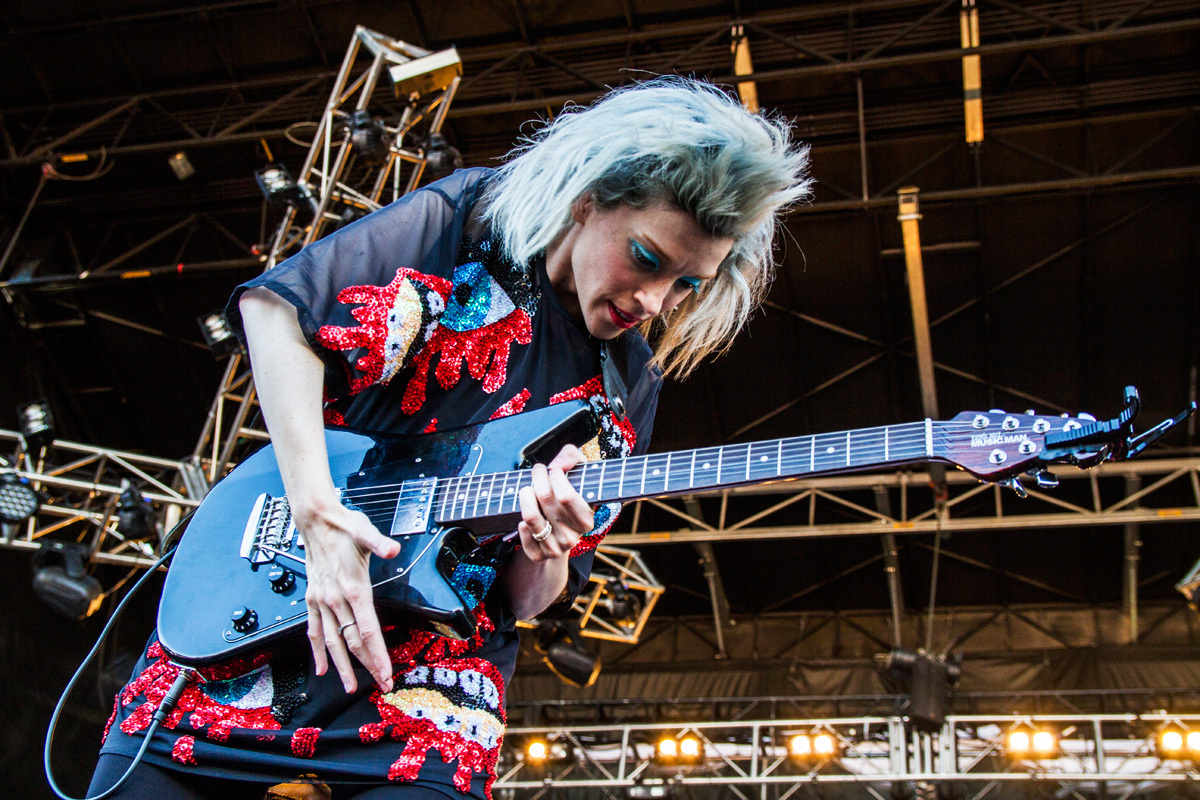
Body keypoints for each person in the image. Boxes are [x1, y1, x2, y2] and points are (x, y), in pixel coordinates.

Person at [90, 77, 811, 799]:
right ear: (587, 200)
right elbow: (279, 313)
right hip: (253, 630)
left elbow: (529, 602)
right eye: (648, 259)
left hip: (425, 703)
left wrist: (548, 547)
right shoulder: (470, 225)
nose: (654, 301)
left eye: (688, 284)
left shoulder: (630, 388)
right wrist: (316, 514)